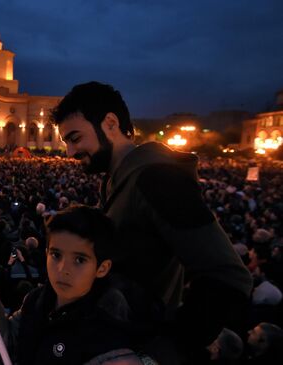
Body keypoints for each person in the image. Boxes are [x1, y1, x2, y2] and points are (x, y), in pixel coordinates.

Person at [52, 81, 252, 362]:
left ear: (110, 123)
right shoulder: (117, 180)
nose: (70, 152)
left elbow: (229, 276)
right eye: (66, 142)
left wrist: (164, 350)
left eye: (75, 138)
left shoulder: (156, 178)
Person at [0, 205, 149, 365]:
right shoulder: (36, 300)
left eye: (79, 259)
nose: (62, 269)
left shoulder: (109, 335)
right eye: (56, 255)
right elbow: (7, 344)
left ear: (102, 268)